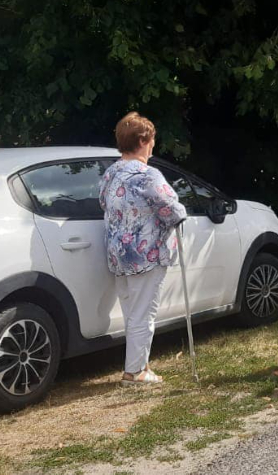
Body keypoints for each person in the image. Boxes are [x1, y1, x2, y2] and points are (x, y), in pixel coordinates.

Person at [99, 112, 188, 384]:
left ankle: (139, 364)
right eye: (151, 141)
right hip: (146, 254)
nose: (153, 146)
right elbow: (172, 209)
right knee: (143, 313)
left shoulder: (111, 173)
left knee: (131, 313)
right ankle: (135, 373)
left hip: (118, 254)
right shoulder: (147, 175)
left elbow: (103, 203)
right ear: (142, 140)